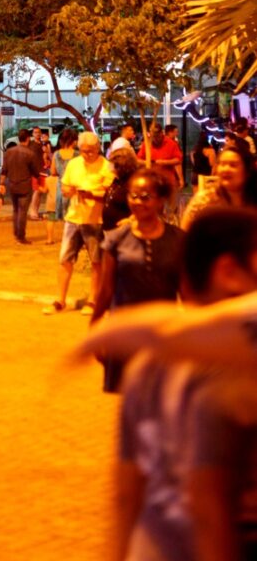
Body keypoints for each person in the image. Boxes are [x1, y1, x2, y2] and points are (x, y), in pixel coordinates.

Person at [110, 207, 257, 561]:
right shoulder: (232, 376)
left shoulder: (147, 364)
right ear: (228, 271)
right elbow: (209, 510)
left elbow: (127, 491)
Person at [91, 168, 185, 391]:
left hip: (163, 332)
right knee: (130, 399)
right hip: (125, 330)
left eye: (145, 197)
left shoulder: (178, 240)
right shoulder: (116, 239)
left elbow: (187, 292)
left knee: (162, 395)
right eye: (133, 195)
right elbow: (105, 291)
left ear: (160, 199)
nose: (138, 202)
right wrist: (96, 327)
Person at [43, 130, 114, 316]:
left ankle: (93, 300)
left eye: (91, 151)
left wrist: (91, 194)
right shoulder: (74, 164)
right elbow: (65, 184)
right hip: (73, 218)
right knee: (65, 260)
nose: (87, 154)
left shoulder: (106, 166)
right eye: (83, 150)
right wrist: (68, 190)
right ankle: (60, 299)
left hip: (95, 220)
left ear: (98, 148)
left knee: (96, 261)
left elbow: (108, 193)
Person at [181, 140, 257, 230]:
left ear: (246, 170)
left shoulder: (252, 199)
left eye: (233, 165)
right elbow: (184, 230)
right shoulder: (205, 199)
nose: (226, 169)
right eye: (222, 164)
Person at [0, 128, 42, 244]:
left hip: (12, 184)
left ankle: (16, 233)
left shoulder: (9, 152)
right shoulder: (30, 153)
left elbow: (4, 170)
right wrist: (40, 179)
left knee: (15, 210)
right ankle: (21, 236)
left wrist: (1, 184)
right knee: (22, 211)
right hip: (24, 185)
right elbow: (35, 171)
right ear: (28, 138)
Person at [138, 123, 183, 218]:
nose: (155, 139)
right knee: (155, 210)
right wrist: (148, 162)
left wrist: (164, 162)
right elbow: (138, 160)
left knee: (171, 210)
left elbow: (178, 159)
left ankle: (172, 228)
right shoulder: (147, 143)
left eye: (157, 136)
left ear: (162, 133)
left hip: (168, 182)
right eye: (153, 136)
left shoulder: (171, 143)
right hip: (152, 183)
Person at [49, 128, 79, 244]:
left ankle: (67, 238)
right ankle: (73, 239)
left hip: (61, 188)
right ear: (73, 141)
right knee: (75, 215)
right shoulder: (77, 155)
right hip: (74, 188)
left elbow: (52, 172)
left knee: (65, 216)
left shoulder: (56, 154)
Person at [102, 144, 139, 232]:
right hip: (110, 229)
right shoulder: (117, 179)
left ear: (120, 165)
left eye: (112, 164)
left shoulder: (132, 182)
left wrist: (131, 220)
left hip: (124, 232)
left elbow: (141, 206)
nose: (109, 166)